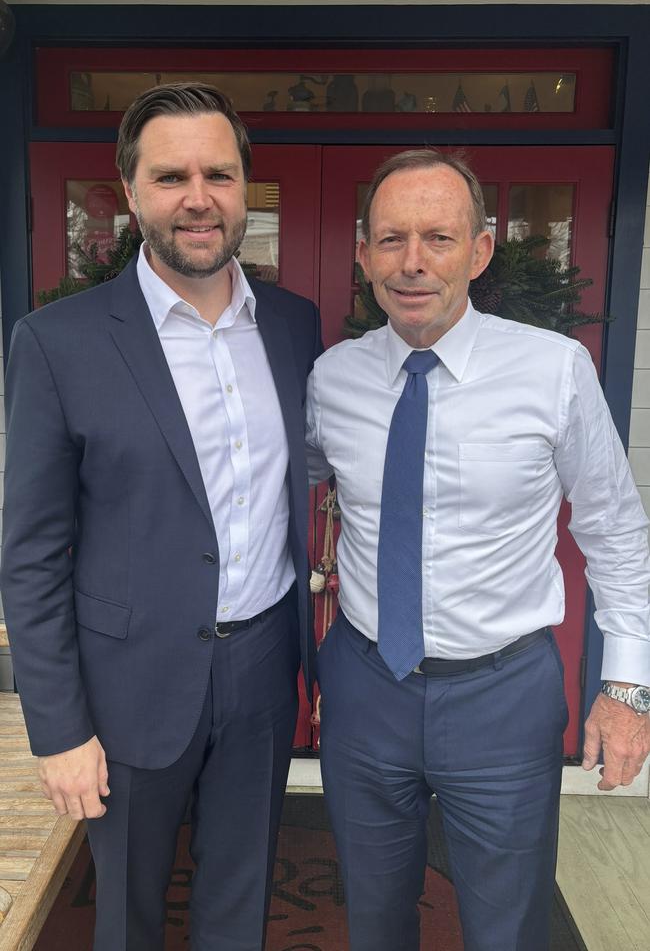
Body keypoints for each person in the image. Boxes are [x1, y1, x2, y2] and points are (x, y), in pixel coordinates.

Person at [1, 82, 322, 951]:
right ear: (132, 192)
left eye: (219, 174)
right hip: (127, 684)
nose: (198, 197)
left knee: (239, 902)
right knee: (129, 917)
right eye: (171, 175)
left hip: (261, 668)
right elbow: (30, 555)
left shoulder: (294, 327)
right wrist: (58, 729)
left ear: (244, 188)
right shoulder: (57, 342)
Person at [306, 149, 650, 951]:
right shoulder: (334, 379)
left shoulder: (553, 370)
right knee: (374, 915)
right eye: (390, 240)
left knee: (507, 926)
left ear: (481, 250)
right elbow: (288, 481)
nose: (414, 262)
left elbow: (614, 528)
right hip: (365, 686)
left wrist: (626, 688)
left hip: (502, 697)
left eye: (438, 237)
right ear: (362, 255)